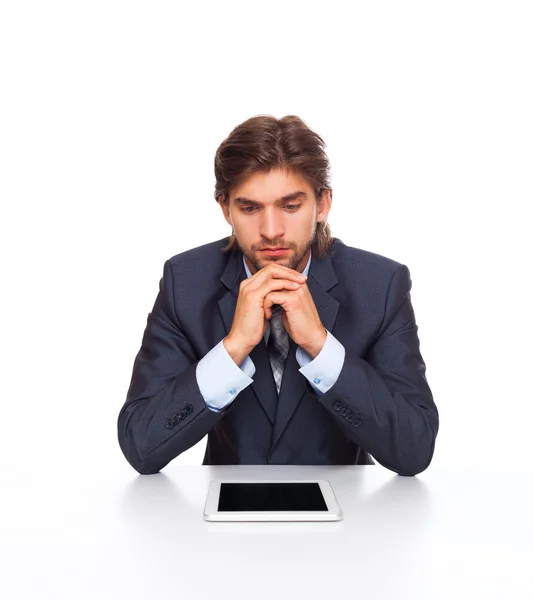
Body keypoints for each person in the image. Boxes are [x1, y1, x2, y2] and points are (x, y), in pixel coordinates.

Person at [117, 115, 438, 476]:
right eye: (250, 208)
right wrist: (233, 347)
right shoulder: (186, 282)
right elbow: (139, 445)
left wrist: (320, 345)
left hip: (350, 519)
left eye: (290, 206)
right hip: (220, 521)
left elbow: (415, 450)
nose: (271, 232)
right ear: (225, 208)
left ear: (323, 204)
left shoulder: (379, 285)